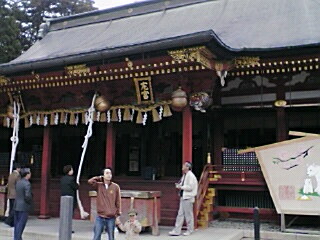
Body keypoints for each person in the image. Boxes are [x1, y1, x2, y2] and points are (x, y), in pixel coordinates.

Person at [88, 167, 121, 240]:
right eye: (107, 173)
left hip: (111, 217)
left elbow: (118, 201)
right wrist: (99, 178)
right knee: (96, 236)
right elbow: (90, 181)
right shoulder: (99, 186)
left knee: (111, 237)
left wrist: (118, 215)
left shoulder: (115, 187)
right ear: (103, 175)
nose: (109, 175)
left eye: (110, 173)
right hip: (100, 216)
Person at [169, 161, 198, 236]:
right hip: (183, 197)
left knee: (188, 215)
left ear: (187, 167)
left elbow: (190, 187)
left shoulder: (190, 176)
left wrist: (181, 187)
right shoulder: (185, 175)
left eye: (184, 166)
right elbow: (183, 184)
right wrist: (179, 185)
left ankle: (190, 230)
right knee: (180, 214)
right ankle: (177, 230)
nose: (182, 167)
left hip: (188, 197)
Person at [14, 168, 33, 240]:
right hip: (23, 206)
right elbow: (27, 196)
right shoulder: (27, 184)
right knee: (21, 224)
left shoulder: (18, 182)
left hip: (17, 205)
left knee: (17, 224)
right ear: (27, 174)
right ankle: (18, 238)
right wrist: (29, 202)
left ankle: (16, 237)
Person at [60, 165, 79, 233]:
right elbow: (75, 187)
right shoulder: (71, 179)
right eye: (71, 170)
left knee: (64, 213)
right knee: (70, 214)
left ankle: (63, 227)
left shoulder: (62, 178)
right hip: (70, 199)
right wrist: (78, 184)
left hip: (63, 198)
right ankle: (68, 228)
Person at [4, 162, 21, 227]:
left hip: (10, 193)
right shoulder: (17, 175)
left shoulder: (11, 174)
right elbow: (18, 185)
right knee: (14, 209)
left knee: (11, 208)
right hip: (15, 194)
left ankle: (12, 222)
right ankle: (8, 220)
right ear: (17, 168)